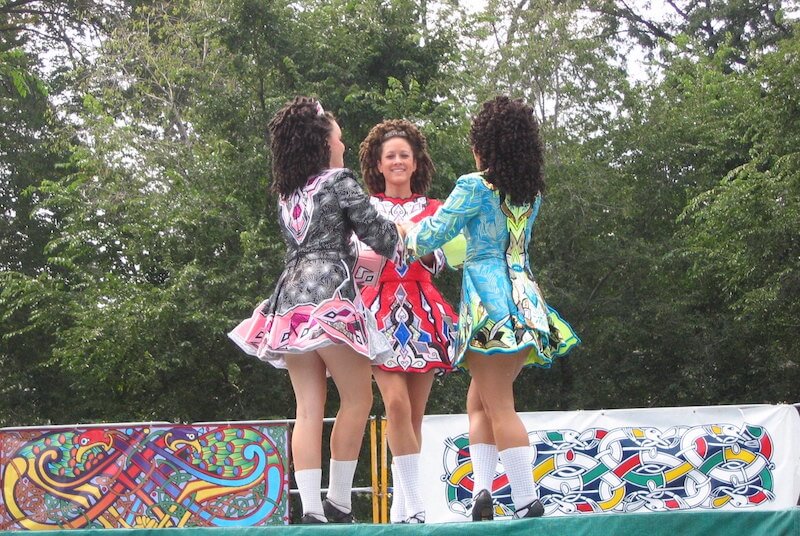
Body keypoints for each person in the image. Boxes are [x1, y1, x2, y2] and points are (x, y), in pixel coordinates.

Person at [228, 97, 404, 524]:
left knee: (307, 409)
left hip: (289, 303)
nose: (343, 145)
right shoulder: (339, 181)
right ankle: (340, 501)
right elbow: (378, 236)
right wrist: (400, 231)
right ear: (325, 143)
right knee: (359, 398)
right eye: (340, 138)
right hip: (334, 299)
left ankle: (310, 508)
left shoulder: (287, 194)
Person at [403, 96, 580, 521]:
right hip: (527, 304)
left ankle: (525, 499)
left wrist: (399, 228)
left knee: (499, 405)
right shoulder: (529, 193)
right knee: (479, 402)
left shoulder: (474, 186)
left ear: (484, 144)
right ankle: (483, 493)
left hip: (488, 309)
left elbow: (428, 237)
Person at [356, 120, 458, 524]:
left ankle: (402, 509)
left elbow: (445, 260)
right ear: (378, 165)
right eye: (390, 156)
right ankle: (417, 506)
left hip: (423, 311)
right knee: (395, 406)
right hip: (378, 309)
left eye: (404, 155)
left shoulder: (435, 209)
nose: (397, 161)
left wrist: (416, 245)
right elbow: (356, 261)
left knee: (413, 416)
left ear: (416, 163)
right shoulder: (364, 207)